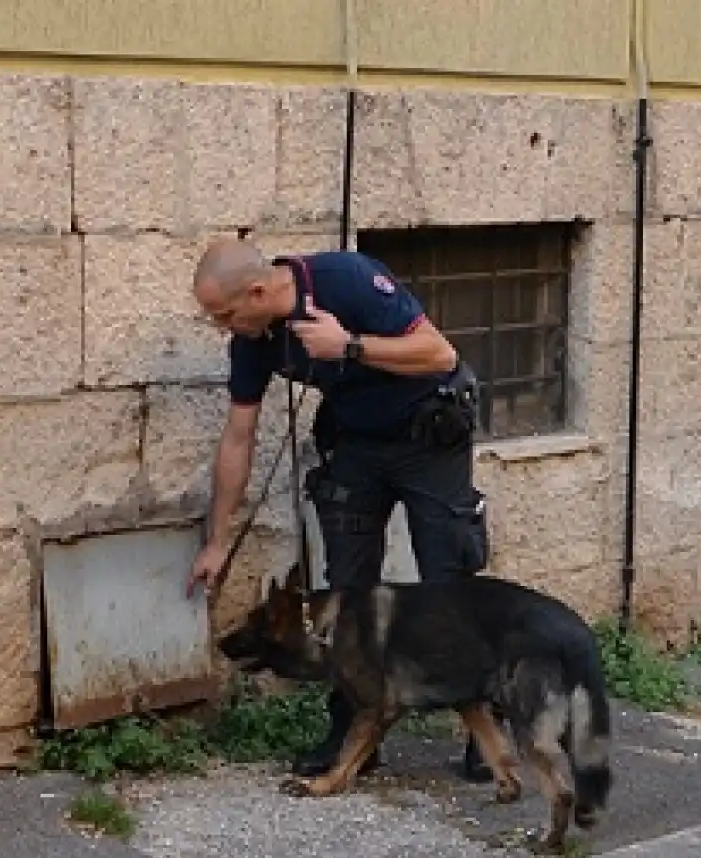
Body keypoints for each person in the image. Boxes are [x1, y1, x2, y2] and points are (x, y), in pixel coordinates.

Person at [187, 238, 494, 782]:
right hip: (357, 446)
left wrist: (349, 346)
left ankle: (484, 728)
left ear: (258, 291)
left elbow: (440, 353)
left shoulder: (346, 279)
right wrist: (216, 540)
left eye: (226, 314)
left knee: (446, 581)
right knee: (345, 595)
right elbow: (239, 437)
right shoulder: (254, 339)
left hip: (428, 436)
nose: (222, 327)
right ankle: (353, 732)